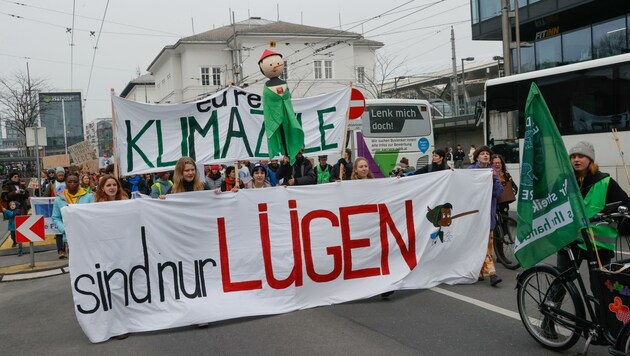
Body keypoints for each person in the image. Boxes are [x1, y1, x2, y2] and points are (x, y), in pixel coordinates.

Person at [558, 141, 630, 279]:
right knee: (561, 282)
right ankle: (552, 301)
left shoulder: (605, 182)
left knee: (601, 289)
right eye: (573, 156)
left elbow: (624, 205)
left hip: (598, 245)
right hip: (570, 240)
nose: (576, 159)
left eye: (581, 156)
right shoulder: (564, 181)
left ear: (590, 159)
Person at [469, 146, 503, 286]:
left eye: (487, 154)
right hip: (476, 214)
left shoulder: (493, 171)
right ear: (477, 157)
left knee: (487, 245)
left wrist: (494, 180)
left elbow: (498, 192)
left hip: (489, 213)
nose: (485, 156)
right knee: (482, 244)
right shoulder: (471, 171)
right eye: (482, 154)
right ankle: (492, 273)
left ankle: (481, 271)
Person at [51, 172, 95, 259]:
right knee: (75, 264)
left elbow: (93, 215)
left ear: (79, 182)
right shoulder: (58, 199)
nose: (72, 184)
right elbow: (56, 217)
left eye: (75, 182)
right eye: (69, 182)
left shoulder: (89, 197)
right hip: (69, 237)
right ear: (65, 183)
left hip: (86, 236)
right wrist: (64, 229)